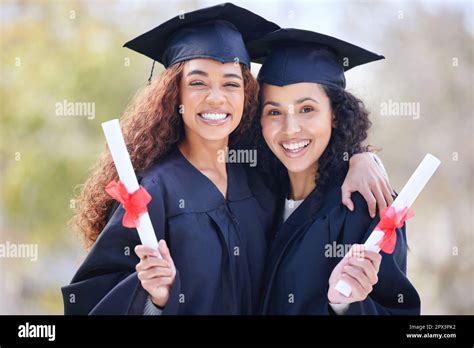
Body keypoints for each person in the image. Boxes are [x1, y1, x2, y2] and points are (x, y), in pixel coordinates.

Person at [62, 4, 393, 315]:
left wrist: (359, 157)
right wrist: (154, 300)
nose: (216, 97)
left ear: (246, 94)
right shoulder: (152, 192)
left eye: (231, 83)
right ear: (173, 94)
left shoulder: (262, 176)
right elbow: (92, 298)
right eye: (197, 82)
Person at [247, 28, 421, 314]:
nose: (290, 129)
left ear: (336, 115)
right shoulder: (255, 192)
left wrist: (344, 305)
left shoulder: (368, 206)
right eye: (274, 112)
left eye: (306, 109)